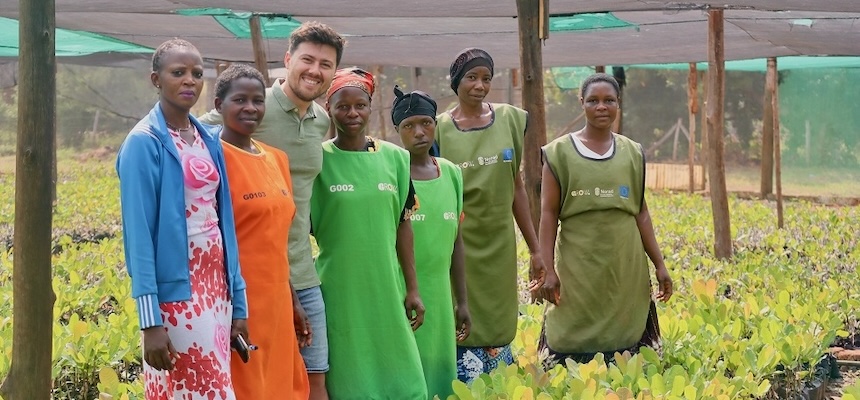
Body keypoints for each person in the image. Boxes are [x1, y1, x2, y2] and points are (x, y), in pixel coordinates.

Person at [198, 21, 345, 400]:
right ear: (288, 60)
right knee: (256, 381)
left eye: (325, 64)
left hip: (301, 272)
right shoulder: (252, 105)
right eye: (307, 60)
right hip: (253, 276)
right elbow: (191, 136)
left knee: (313, 376)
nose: (314, 70)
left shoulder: (321, 121)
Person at [116, 39, 248, 400]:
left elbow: (225, 224)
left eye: (196, 73)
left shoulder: (209, 139)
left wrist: (238, 301)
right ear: (156, 80)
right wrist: (150, 322)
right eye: (178, 73)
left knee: (211, 386)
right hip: (176, 298)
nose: (190, 80)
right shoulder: (144, 143)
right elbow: (138, 237)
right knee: (204, 390)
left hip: (215, 288)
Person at [536, 73, 673, 365]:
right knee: (569, 332)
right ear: (581, 104)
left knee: (628, 340)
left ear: (618, 104)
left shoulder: (632, 153)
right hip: (578, 264)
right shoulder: (558, 153)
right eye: (593, 100)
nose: (601, 107)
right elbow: (548, 215)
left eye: (609, 100)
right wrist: (547, 269)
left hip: (626, 265)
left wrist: (660, 264)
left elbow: (641, 212)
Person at [311, 68, 427, 399]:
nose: (352, 113)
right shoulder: (316, 160)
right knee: (350, 376)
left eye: (360, 105)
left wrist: (413, 288)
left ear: (370, 107)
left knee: (405, 381)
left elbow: (404, 224)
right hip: (338, 289)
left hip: (387, 286)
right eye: (342, 106)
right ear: (328, 108)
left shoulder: (396, 159)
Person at [434, 47, 545, 382]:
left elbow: (516, 188)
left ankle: (498, 375)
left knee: (498, 311)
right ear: (456, 83)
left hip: (498, 240)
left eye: (486, 78)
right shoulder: (439, 129)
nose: (480, 85)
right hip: (458, 242)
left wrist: (536, 248)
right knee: (460, 306)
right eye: (471, 77)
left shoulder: (512, 119)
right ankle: (463, 374)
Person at [215, 64, 310, 399]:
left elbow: (276, 240)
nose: (250, 108)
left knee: (283, 383)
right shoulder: (213, 161)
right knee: (248, 385)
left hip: (277, 301)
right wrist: (228, 310)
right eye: (239, 100)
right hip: (238, 302)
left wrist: (293, 298)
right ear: (219, 106)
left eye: (257, 100)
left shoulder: (277, 159)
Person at [392, 86, 471, 398]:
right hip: (402, 295)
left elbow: (457, 242)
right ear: (397, 131)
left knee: (440, 377)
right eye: (408, 126)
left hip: (439, 296)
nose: (419, 132)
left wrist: (462, 301)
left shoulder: (451, 173)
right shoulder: (391, 172)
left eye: (426, 123)